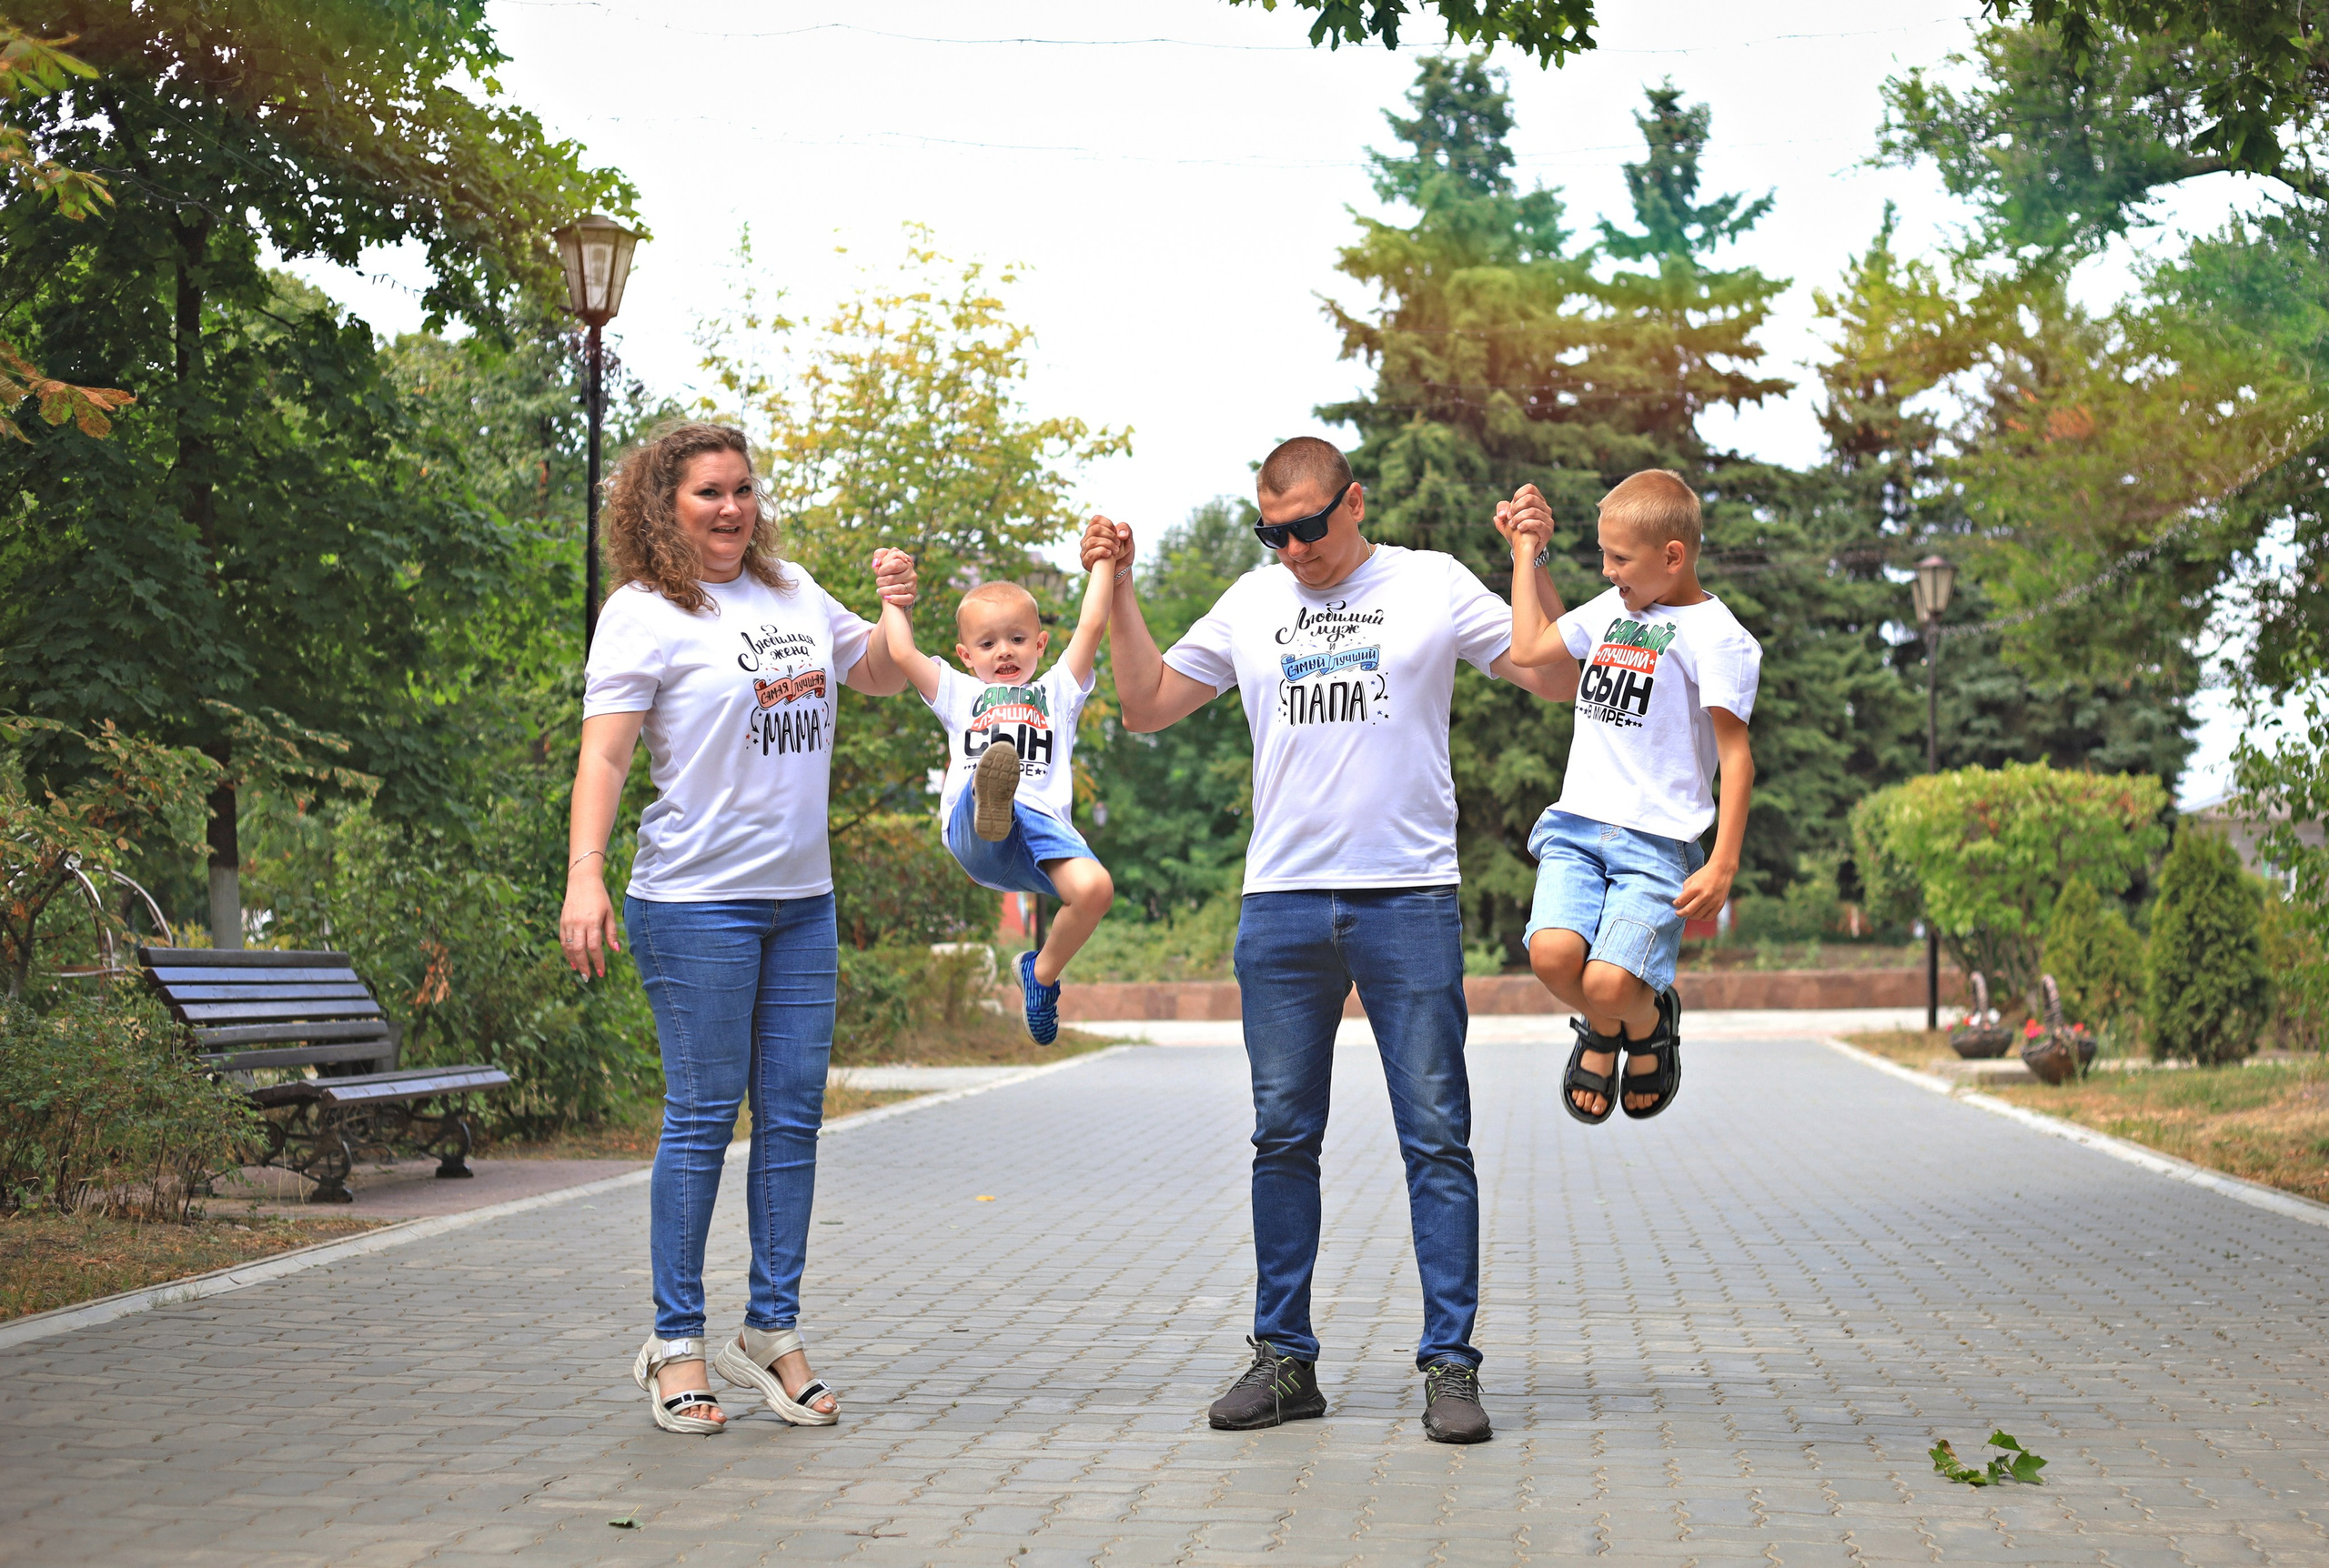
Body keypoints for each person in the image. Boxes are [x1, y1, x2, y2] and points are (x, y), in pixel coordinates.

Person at [1082, 437, 1570, 1446]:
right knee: (1280, 1136)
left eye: (1309, 524)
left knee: (1435, 1135)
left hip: (1407, 898)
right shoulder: (1253, 600)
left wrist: (1528, 556)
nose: (1293, 547)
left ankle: (1449, 1363)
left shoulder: (1430, 583)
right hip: (1284, 904)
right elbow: (1146, 704)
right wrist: (1120, 587)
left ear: (1353, 501)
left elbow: (1550, 673)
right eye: (1275, 531)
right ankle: (1284, 1359)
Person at [560, 421, 920, 1435]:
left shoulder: (795, 590)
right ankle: (676, 1343)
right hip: (692, 902)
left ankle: (772, 1329)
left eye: (743, 490)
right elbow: (605, 760)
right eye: (708, 492)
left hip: (801, 901)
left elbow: (883, 674)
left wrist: (895, 610)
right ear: (660, 505)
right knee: (703, 1116)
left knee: (794, 1119)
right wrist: (584, 875)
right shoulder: (643, 614)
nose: (731, 508)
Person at [1503, 470, 1760, 1124]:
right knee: (1552, 956)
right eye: (1603, 555)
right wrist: (1526, 554)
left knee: (1609, 983)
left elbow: (1736, 755)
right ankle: (1612, 1024)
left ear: (1672, 556)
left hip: (1655, 843)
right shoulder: (1612, 610)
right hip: (1578, 828)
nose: (1609, 571)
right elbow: (1532, 646)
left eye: (1620, 558)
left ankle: (1638, 1022)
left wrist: (1723, 862)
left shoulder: (1719, 638)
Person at [878, 544, 1119, 1043]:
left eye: (1016, 639)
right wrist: (893, 596)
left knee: (1095, 890)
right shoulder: (958, 692)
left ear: (1040, 644)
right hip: (974, 831)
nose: (1004, 651)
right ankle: (992, 796)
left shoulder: (1058, 692)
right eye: (987, 645)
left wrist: (1103, 562)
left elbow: (1093, 626)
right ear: (966, 656)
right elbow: (902, 652)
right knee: (986, 787)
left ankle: (1041, 975)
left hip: (1042, 830)